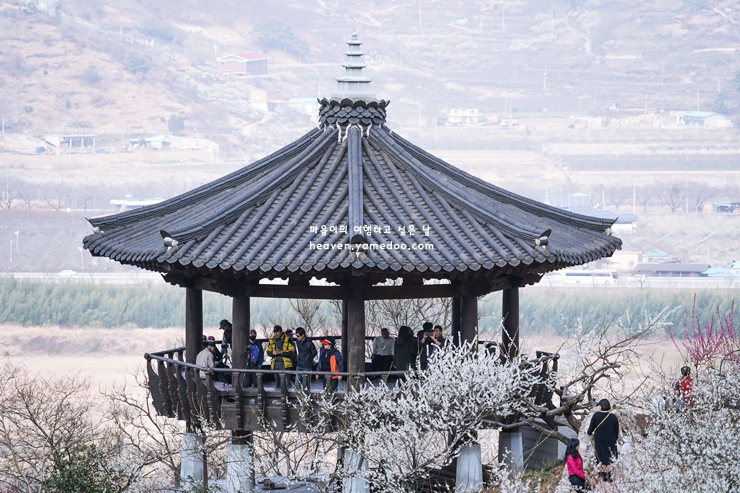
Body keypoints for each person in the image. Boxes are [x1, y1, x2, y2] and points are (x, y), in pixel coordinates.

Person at [587, 399, 619, 482]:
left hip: (600, 439)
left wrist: (588, 433)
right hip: (611, 439)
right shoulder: (613, 417)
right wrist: (614, 439)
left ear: (601, 406)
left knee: (601, 455)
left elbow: (590, 429)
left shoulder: (596, 415)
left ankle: (604, 475)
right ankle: (610, 473)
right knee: (610, 456)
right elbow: (616, 431)